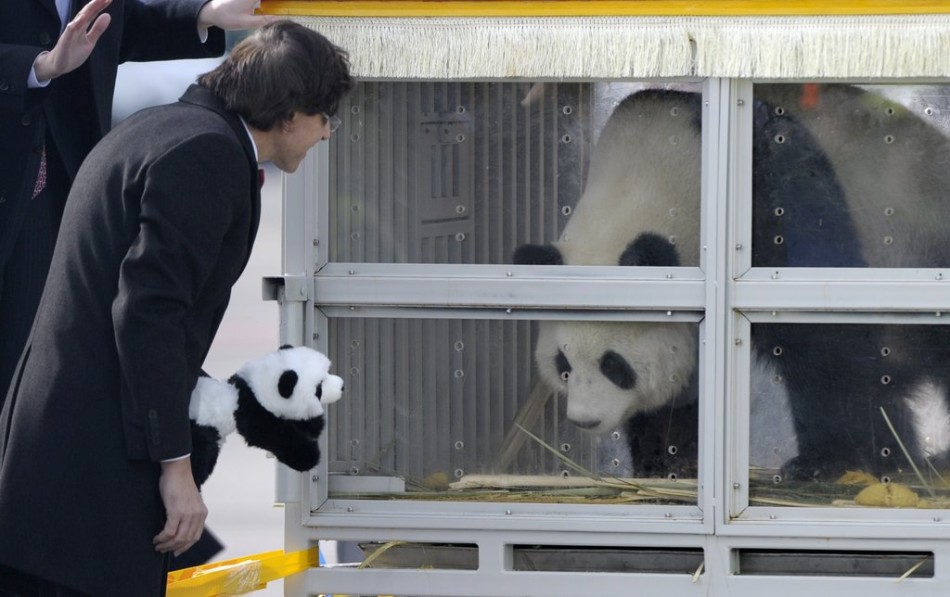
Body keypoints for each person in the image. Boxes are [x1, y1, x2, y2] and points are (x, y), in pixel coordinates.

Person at [0, 20, 353, 596]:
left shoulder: (164, 128)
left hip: (57, 456)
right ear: (290, 113)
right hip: (90, 473)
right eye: (324, 117)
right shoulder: (206, 155)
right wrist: (176, 469)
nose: (327, 134)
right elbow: (148, 317)